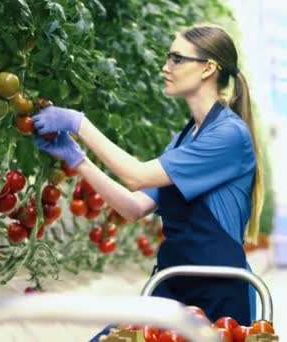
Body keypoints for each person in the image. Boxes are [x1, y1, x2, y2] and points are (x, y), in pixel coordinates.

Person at [32, 24, 263, 336]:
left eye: (177, 59)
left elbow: (136, 176)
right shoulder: (184, 139)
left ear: (208, 68)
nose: (165, 67)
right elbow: (133, 206)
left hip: (219, 292)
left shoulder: (229, 135)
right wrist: (77, 159)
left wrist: (78, 123)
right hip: (173, 286)